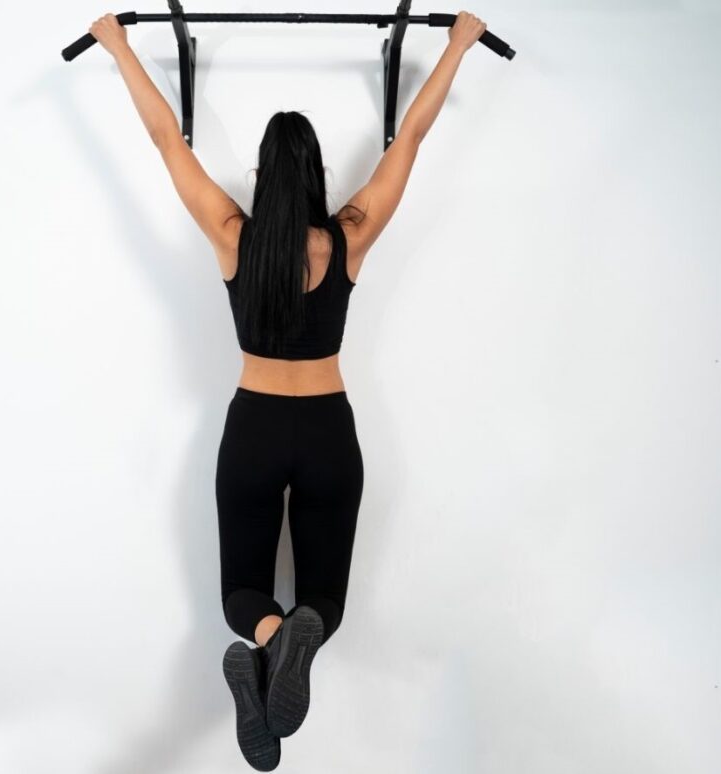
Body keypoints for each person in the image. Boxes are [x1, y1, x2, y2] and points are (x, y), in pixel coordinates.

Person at [90, 9, 487, 770]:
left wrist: (117, 45)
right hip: (329, 432)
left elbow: (164, 139)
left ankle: (269, 643)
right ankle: (297, 637)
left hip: (255, 430)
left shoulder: (232, 234)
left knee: (244, 591)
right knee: (325, 601)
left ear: (264, 174)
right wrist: (458, 46)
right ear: (318, 176)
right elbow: (413, 140)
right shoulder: (350, 233)